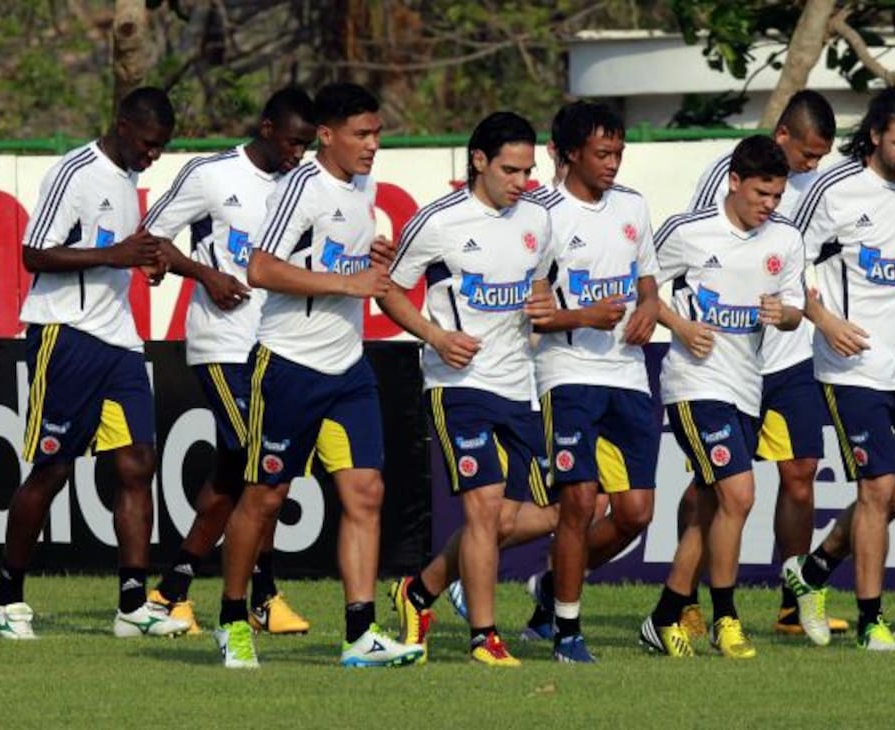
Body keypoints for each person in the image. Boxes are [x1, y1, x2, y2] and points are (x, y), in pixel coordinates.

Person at [213, 82, 421, 669]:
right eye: (361, 134)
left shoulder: (363, 188)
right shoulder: (301, 187)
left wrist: (370, 262)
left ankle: (360, 634)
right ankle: (232, 620)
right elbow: (260, 268)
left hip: (348, 367)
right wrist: (348, 282)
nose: (372, 145)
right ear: (326, 136)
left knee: (366, 492)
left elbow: (337, 261)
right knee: (265, 496)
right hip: (289, 365)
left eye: (377, 133)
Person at [0, 87, 189, 640]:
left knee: (137, 463)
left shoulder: (127, 178)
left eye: (161, 147)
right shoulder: (73, 171)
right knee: (53, 469)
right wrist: (114, 255)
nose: (153, 156)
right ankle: (6, 594)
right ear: (123, 126)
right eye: (147, 144)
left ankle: (132, 604)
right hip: (66, 335)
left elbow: (116, 253)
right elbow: (32, 253)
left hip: (119, 339)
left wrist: (140, 263)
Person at [380, 111, 556, 667]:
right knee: (484, 510)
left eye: (528, 170)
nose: (521, 181)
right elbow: (389, 290)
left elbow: (541, 287)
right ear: (478, 161)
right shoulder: (438, 221)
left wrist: (543, 306)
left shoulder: (538, 219)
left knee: (540, 514)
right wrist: (436, 336)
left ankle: (420, 591)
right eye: (510, 170)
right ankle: (485, 638)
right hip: (458, 382)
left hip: (519, 384)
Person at [782, 88, 895, 651]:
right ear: (875, 135)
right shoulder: (833, 190)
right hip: (849, 366)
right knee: (876, 488)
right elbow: (784, 261)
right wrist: (824, 320)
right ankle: (871, 622)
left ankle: (811, 571)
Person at [141, 88, 317, 635]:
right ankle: (261, 594)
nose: (297, 154)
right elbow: (151, 238)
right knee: (263, 465)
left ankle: (170, 592)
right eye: (292, 142)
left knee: (234, 475)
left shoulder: (303, 186)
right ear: (266, 129)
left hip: (276, 349)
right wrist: (206, 275)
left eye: (306, 145)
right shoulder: (211, 175)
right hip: (222, 345)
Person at [673, 90, 848, 640]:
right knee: (711, 486)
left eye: (821, 157)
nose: (812, 165)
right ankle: (686, 601)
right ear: (782, 136)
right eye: (807, 154)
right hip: (727, 362)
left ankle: (792, 603)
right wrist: (689, 323)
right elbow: (692, 260)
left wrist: (812, 317)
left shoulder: (817, 188)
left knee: (800, 474)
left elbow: (801, 275)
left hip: (788, 356)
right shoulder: (725, 177)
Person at [640, 135, 805, 659]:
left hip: (747, 387)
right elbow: (642, 289)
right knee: (740, 493)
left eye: (776, 196)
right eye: (760, 193)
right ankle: (726, 618)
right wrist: (681, 325)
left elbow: (796, 309)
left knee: (712, 504)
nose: (769, 205)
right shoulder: (688, 232)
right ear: (734, 182)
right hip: (695, 385)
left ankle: (665, 614)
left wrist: (785, 315)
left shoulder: (786, 240)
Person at [527, 100, 661, 662]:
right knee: (579, 501)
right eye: (602, 153)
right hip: (567, 374)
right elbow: (531, 313)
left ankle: (550, 585)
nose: (612, 163)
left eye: (618, 153)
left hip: (627, 374)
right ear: (570, 153)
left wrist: (649, 309)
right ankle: (568, 632)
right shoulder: (542, 215)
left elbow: (648, 282)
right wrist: (582, 316)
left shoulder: (632, 205)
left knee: (635, 513)